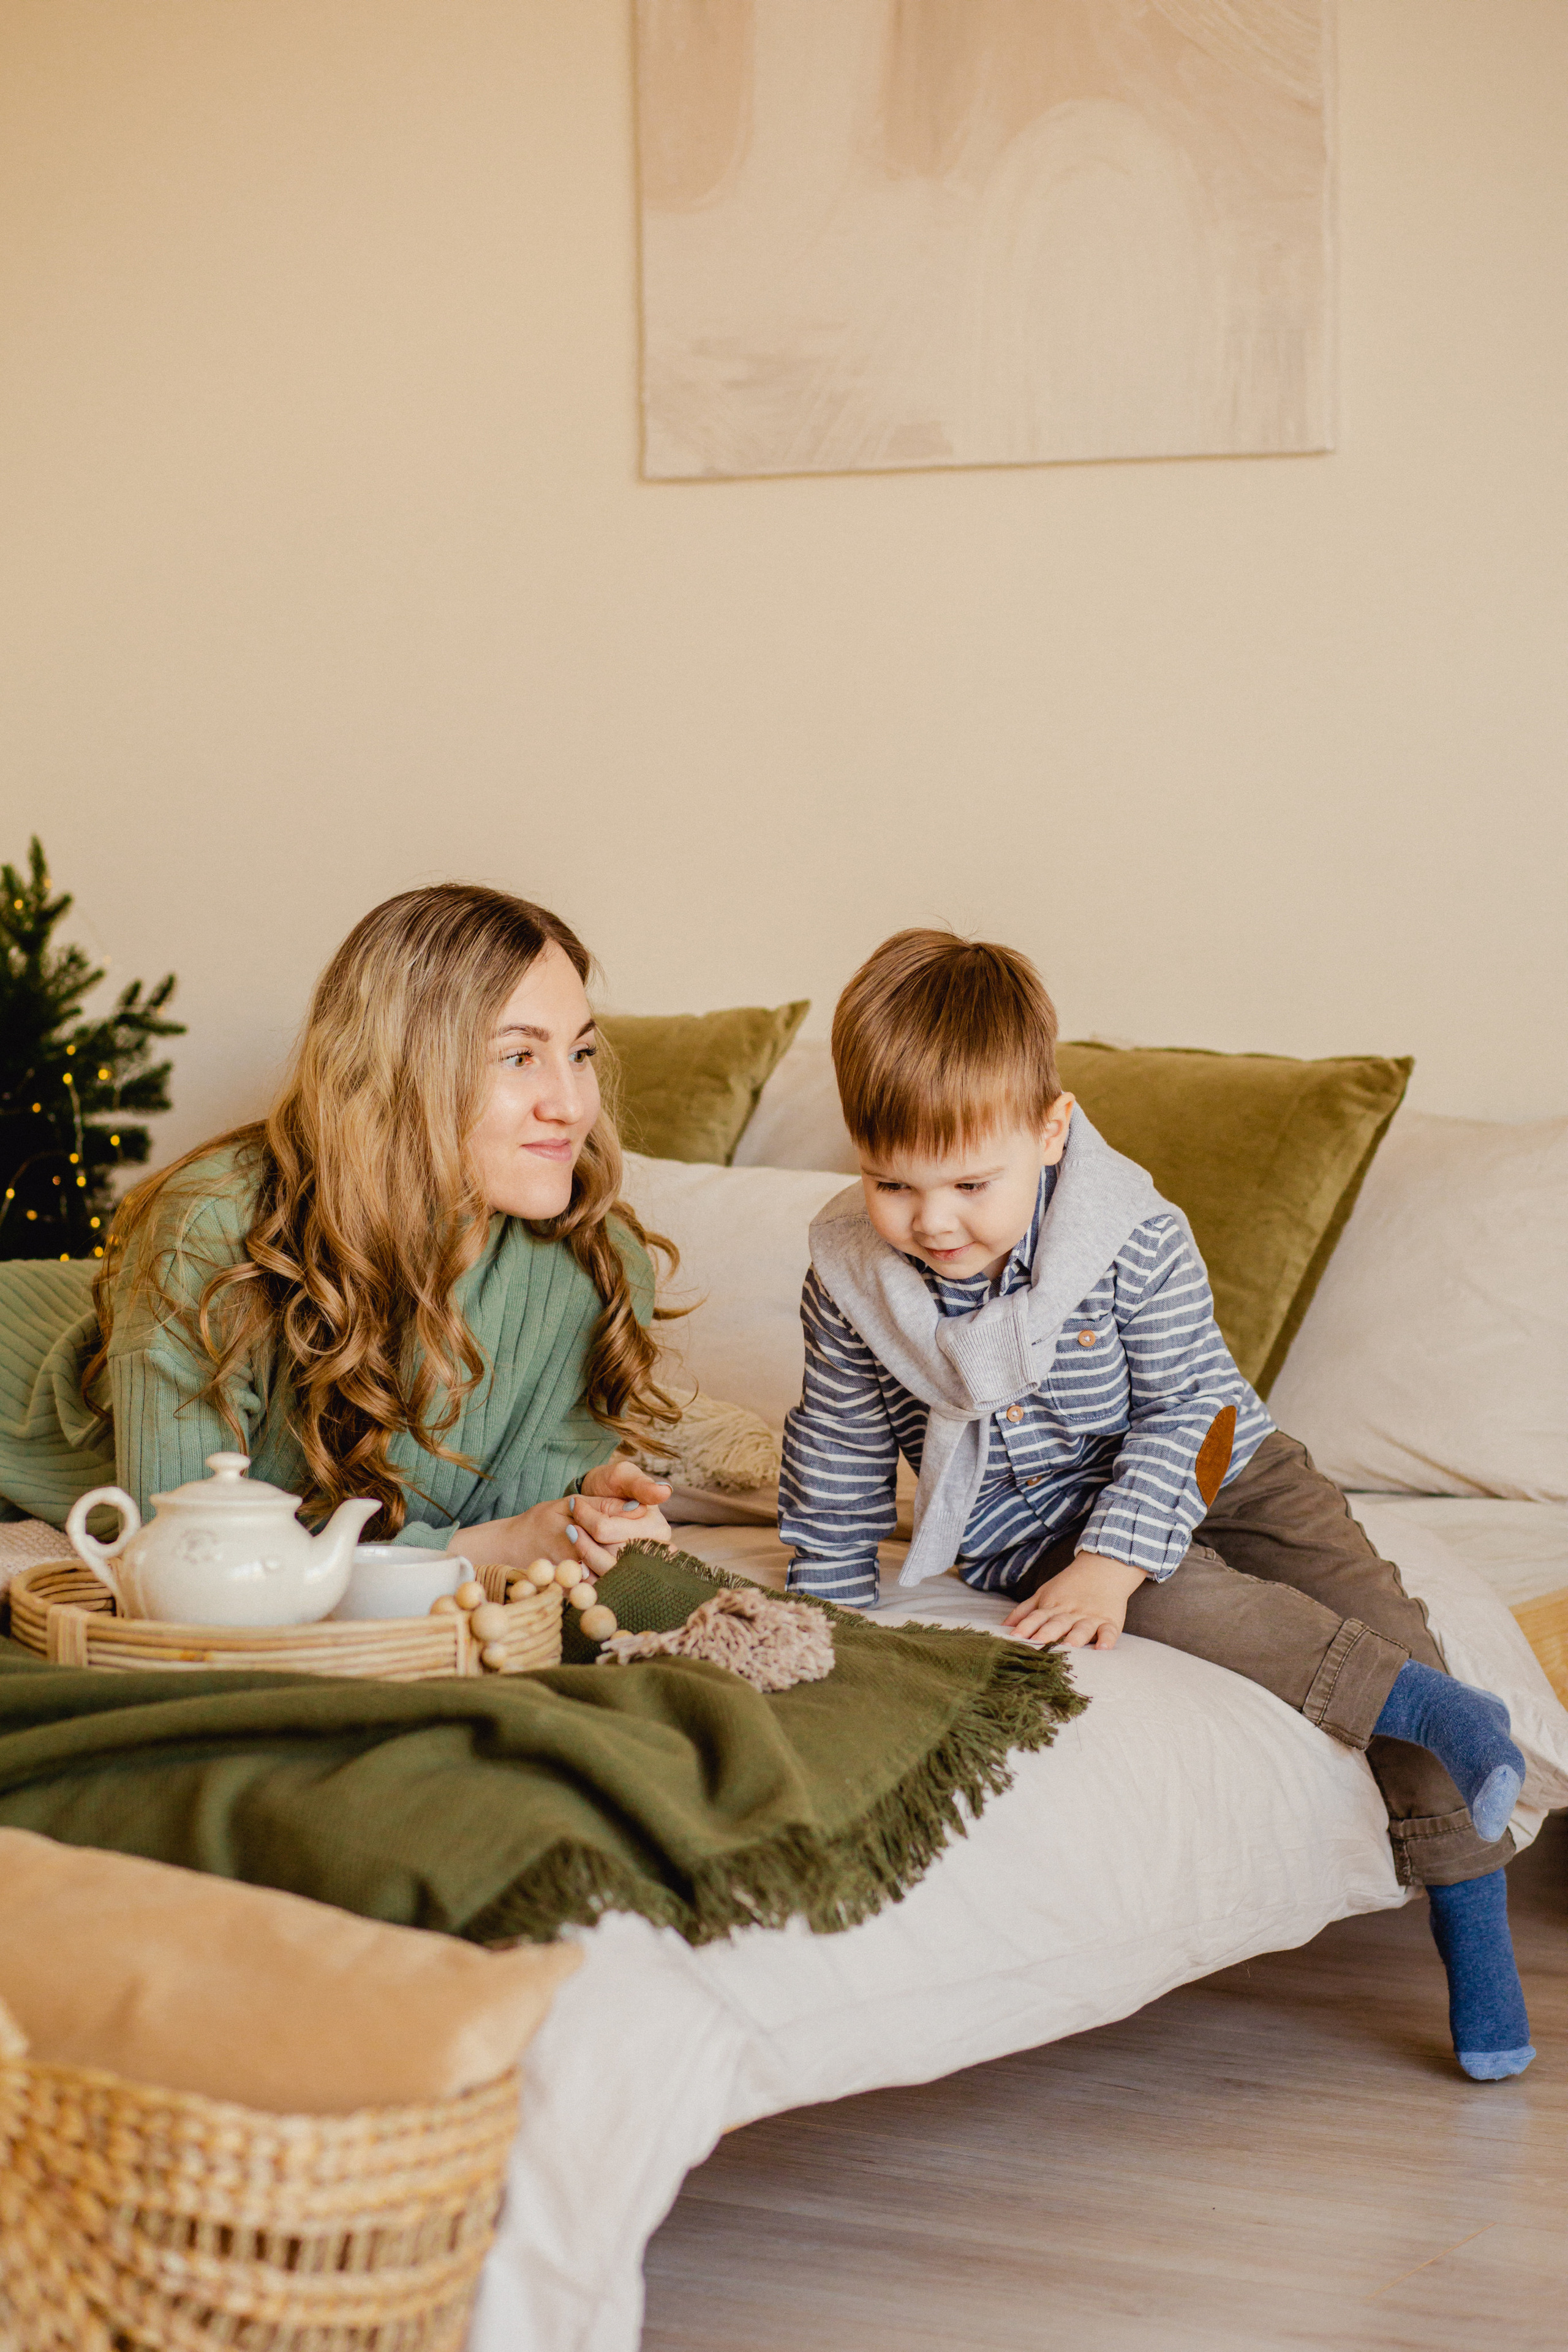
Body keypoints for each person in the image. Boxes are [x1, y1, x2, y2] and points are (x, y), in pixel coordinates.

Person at [779, 927, 1534, 2082]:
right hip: (1033, 1523)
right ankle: (1424, 1705)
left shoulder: (1129, 1232)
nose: (934, 1224)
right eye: (894, 1183)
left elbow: (1192, 1413)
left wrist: (1118, 1554)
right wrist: (823, 1614)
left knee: (1374, 1603)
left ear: (1050, 1130)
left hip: (1223, 1457)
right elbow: (833, 1449)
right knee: (1189, 1604)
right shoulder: (848, 1276)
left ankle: (1470, 1909)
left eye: (971, 1185)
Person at [0, 883, 676, 1581]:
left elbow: (507, 1514)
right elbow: (186, 1558)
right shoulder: (209, 1227)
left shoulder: (597, 1262)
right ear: (403, 1069)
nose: (570, 1104)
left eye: (581, 1054)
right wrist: (473, 1552)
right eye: (518, 1057)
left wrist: (579, 1516)